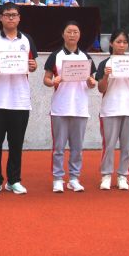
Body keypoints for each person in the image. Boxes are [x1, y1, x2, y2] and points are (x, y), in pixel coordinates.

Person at [0, 3, 38, 195]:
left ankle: (14, 180)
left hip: (20, 99)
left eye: (14, 15)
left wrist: (33, 66)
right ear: (1, 18)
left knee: (16, 143)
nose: (11, 18)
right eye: (7, 15)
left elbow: (33, 64)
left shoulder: (27, 39)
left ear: (19, 17)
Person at [44, 21, 97, 193]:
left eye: (75, 32)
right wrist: (53, 81)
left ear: (80, 35)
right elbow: (46, 79)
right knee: (58, 147)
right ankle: (58, 178)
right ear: (63, 34)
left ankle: (74, 178)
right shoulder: (55, 56)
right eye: (69, 32)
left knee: (77, 148)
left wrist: (91, 82)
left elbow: (91, 82)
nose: (72, 35)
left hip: (80, 108)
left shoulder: (86, 57)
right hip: (60, 107)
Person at [95, 29, 129, 191]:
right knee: (108, 145)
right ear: (111, 43)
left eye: (124, 42)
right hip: (110, 109)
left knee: (127, 146)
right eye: (118, 42)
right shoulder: (105, 64)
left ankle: (123, 175)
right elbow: (101, 89)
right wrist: (105, 76)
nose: (121, 45)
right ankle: (106, 175)